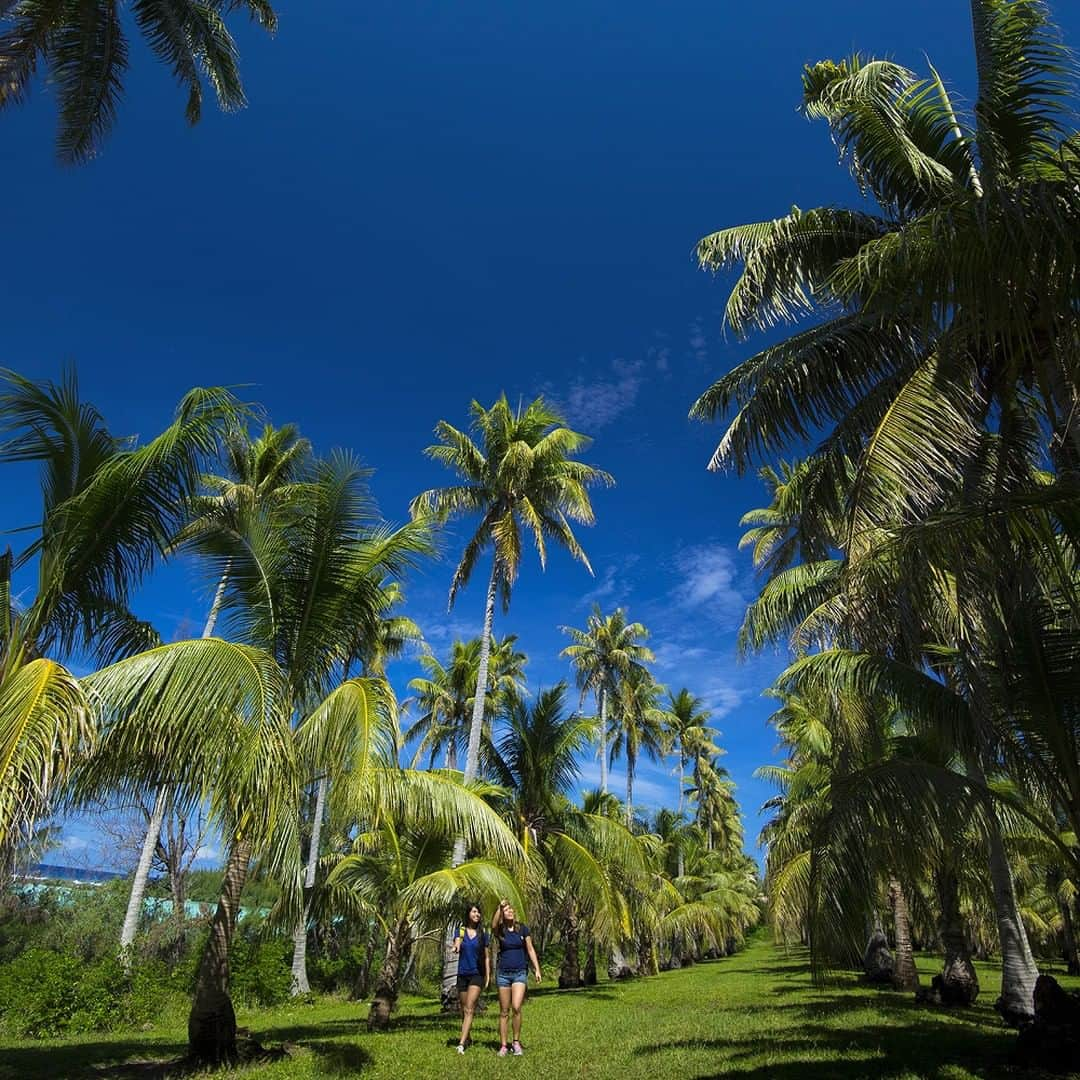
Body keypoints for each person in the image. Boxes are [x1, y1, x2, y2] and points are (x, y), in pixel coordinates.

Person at [491, 898, 541, 1057]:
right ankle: (504, 1045)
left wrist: (537, 969)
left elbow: (530, 949)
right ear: (502, 914)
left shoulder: (522, 929)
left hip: (520, 972)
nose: (510, 911)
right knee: (504, 1011)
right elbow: (493, 925)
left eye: (511, 909)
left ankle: (516, 1042)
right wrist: (500, 907)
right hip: (503, 974)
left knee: (517, 1007)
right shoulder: (500, 931)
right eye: (506, 910)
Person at [453, 901, 489, 1053]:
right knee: (463, 1010)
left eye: (478, 912)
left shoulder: (483, 934)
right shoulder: (460, 931)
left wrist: (488, 975)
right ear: (468, 914)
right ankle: (468, 1037)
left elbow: (487, 956)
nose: (477, 915)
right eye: (474, 912)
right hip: (462, 974)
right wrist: (456, 947)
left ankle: (461, 1044)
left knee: (469, 1008)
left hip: (477, 974)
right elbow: (457, 944)